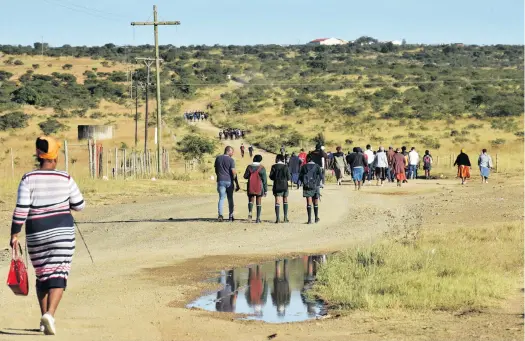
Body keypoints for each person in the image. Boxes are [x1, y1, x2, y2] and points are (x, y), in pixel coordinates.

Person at [10, 136, 85, 335]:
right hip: (62, 231)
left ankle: (44, 320)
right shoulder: (65, 178)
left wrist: (14, 234)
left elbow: (21, 209)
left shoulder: (28, 179)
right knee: (59, 272)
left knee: (42, 274)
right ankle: (50, 314)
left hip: (36, 233)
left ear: (38, 154)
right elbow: (80, 205)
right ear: (55, 156)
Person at [214, 146, 240, 222]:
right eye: (232, 152)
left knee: (221, 198)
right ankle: (231, 216)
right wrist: (237, 183)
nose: (232, 153)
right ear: (228, 151)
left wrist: (219, 176)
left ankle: (220, 215)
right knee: (230, 198)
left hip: (220, 181)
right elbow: (234, 173)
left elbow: (216, 170)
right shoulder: (231, 160)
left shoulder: (218, 158)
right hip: (229, 181)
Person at [299, 154, 323, 224]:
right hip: (316, 186)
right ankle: (316, 218)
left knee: (308, 203)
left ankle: (309, 220)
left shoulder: (304, 166)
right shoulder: (317, 166)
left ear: (307, 159)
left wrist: (304, 182)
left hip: (307, 186)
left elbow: (300, 177)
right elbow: (321, 176)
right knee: (315, 202)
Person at [243, 154, 268, 223]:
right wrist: (265, 190)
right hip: (259, 186)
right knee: (258, 201)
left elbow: (245, 176)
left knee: (251, 200)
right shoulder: (262, 168)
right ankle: (258, 218)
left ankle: (250, 212)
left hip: (250, 186)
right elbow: (264, 180)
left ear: (254, 159)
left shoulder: (249, 167)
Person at [269, 154, 291, 223]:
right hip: (285, 185)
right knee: (285, 200)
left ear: (277, 159)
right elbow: (289, 177)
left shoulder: (274, 166)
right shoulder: (286, 167)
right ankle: (285, 217)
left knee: (277, 201)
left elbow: (271, 177)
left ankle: (277, 218)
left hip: (277, 185)